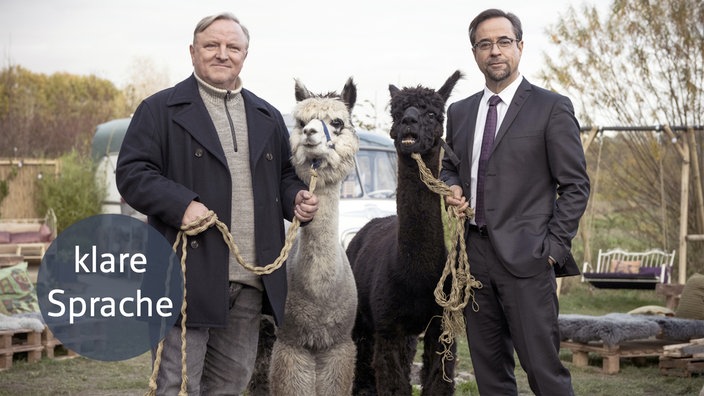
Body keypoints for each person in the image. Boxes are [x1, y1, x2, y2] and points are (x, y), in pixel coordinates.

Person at [115, 12, 319, 395]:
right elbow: (132, 173)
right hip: (184, 279)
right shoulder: (159, 110)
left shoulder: (267, 116)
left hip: (249, 282)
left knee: (228, 388)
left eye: (233, 47)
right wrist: (182, 204)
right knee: (177, 386)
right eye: (212, 45)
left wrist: (296, 200)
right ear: (193, 52)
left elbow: (285, 178)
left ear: (245, 54)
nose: (222, 54)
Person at [441, 8, 590, 396]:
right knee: (491, 377)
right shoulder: (459, 113)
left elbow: (575, 186)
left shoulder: (551, 107)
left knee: (544, 374)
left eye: (503, 42)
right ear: (474, 52)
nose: (495, 51)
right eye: (485, 43)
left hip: (529, 259)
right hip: (473, 262)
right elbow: (450, 170)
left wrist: (553, 250)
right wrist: (452, 188)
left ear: (520, 47)